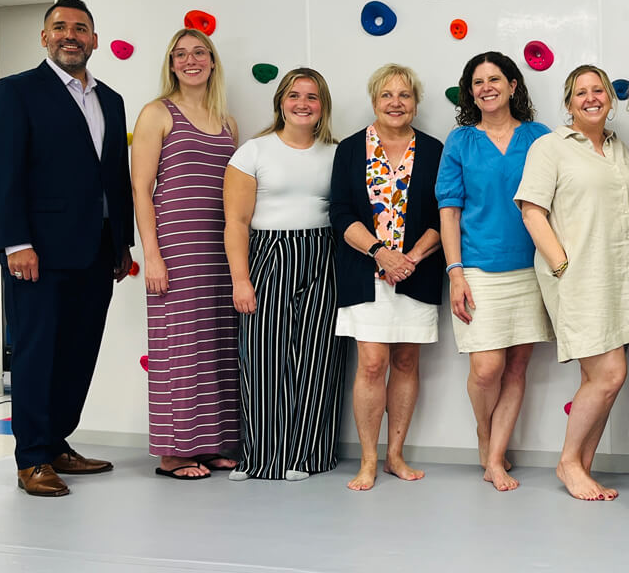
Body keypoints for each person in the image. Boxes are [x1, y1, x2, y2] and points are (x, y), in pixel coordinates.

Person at [0, 0, 134, 496]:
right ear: (45, 37)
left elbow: (114, 176)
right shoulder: (15, 92)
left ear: (94, 38)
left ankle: (55, 443)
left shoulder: (110, 98)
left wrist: (121, 244)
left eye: (81, 28)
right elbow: (1, 175)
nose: (71, 35)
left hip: (96, 253)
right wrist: (15, 243)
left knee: (77, 353)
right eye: (60, 27)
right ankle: (30, 459)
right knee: (36, 353)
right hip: (37, 254)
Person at [515, 64, 629, 502]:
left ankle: (582, 465)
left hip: (617, 277)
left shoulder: (618, 148)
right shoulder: (550, 147)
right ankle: (569, 462)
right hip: (575, 276)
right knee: (609, 373)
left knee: (606, 376)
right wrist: (561, 266)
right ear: (569, 102)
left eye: (599, 90)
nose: (591, 98)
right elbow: (531, 209)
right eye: (581, 92)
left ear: (610, 98)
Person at [436, 51, 553, 492]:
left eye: (494, 79)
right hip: (478, 268)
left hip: (531, 269)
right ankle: (485, 436)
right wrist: (455, 273)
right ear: (471, 92)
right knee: (487, 369)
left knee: (517, 368)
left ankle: (496, 457)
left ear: (513, 85)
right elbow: (449, 211)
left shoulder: (540, 137)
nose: (486, 87)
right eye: (478, 82)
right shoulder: (460, 141)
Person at [223, 68, 343, 481]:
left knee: (316, 357)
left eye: (312, 97)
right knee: (262, 356)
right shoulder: (252, 152)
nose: (303, 104)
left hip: (323, 253)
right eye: (294, 95)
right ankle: (259, 457)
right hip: (269, 253)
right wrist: (241, 279)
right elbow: (236, 222)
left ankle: (305, 455)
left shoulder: (336, 153)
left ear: (322, 106)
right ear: (280, 102)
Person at [131, 29, 241, 481]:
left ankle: (211, 443)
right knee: (180, 346)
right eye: (181, 54)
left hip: (221, 249)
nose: (191, 60)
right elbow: (140, 189)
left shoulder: (228, 122)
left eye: (200, 53)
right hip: (176, 247)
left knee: (218, 344)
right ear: (171, 64)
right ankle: (174, 452)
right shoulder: (157, 113)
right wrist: (151, 256)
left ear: (212, 62)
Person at [330, 64, 444, 491]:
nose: (396, 103)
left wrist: (409, 259)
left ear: (415, 102)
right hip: (365, 271)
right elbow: (340, 213)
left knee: (406, 361)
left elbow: (443, 214)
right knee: (373, 363)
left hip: (417, 270)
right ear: (374, 101)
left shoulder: (434, 150)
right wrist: (382, 254)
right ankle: (368, 460)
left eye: (405, 95)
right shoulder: (350, 149)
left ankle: (396, 455)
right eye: (387, 95)